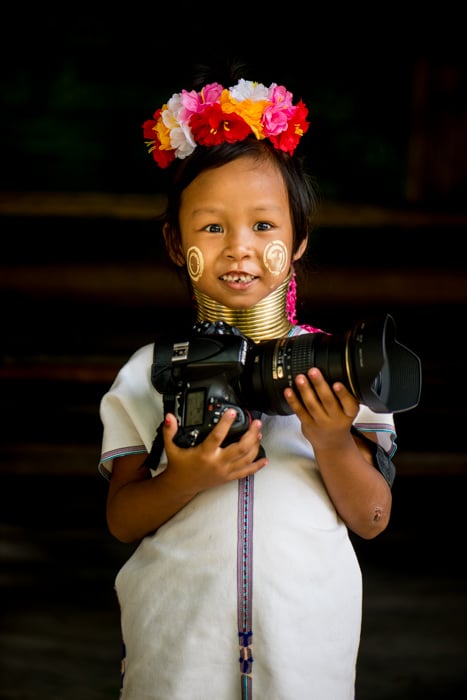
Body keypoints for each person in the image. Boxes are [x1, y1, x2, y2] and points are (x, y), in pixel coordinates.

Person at [98, 62, 397, 700]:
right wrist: (184, 479)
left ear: (300, 240)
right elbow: (123, 519)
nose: (238, 247)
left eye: (263, 226)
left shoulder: (341, 368)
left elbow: (372, 517)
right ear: (177, 245)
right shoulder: (147, 372)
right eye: (212, 226)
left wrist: (334, 441)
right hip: (178, 651)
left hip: (304, 652)